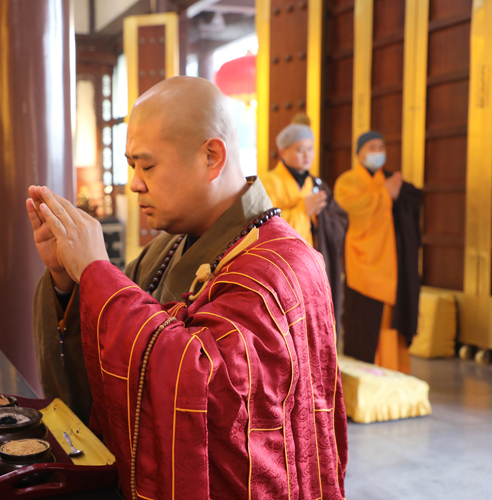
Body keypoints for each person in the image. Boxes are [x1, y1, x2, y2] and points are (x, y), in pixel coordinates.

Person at [28, 77, 347, 500]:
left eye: (148, 166)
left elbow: (208, 399)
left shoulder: (279, 268)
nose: (135, 184)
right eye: (131, 166)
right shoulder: (168, 246)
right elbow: (115, 352)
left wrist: (97, 274)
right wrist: (69, 283)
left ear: (212, 157)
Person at [334, 131, 422, 373]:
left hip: (392, 265)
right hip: (363, 265)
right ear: (359, 153)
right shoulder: (348, 181)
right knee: (365, 322)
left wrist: (393, 193)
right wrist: (385, 194)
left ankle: (396, 376)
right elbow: (350, 211)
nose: (377, 151)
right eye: (371, 147)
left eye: (381, 146)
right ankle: (367, 383)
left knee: (392, 323)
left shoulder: (392, 179)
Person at [261, 123, 348, 333]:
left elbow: (338, 222)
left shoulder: (317, 185)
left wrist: (320, 218)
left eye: (310, 149)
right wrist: (301, 211)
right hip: (282, 271)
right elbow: (262, 227)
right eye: (300, 150)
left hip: (312, 268)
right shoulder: (268, 182)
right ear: (283, 151)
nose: (307, 155)